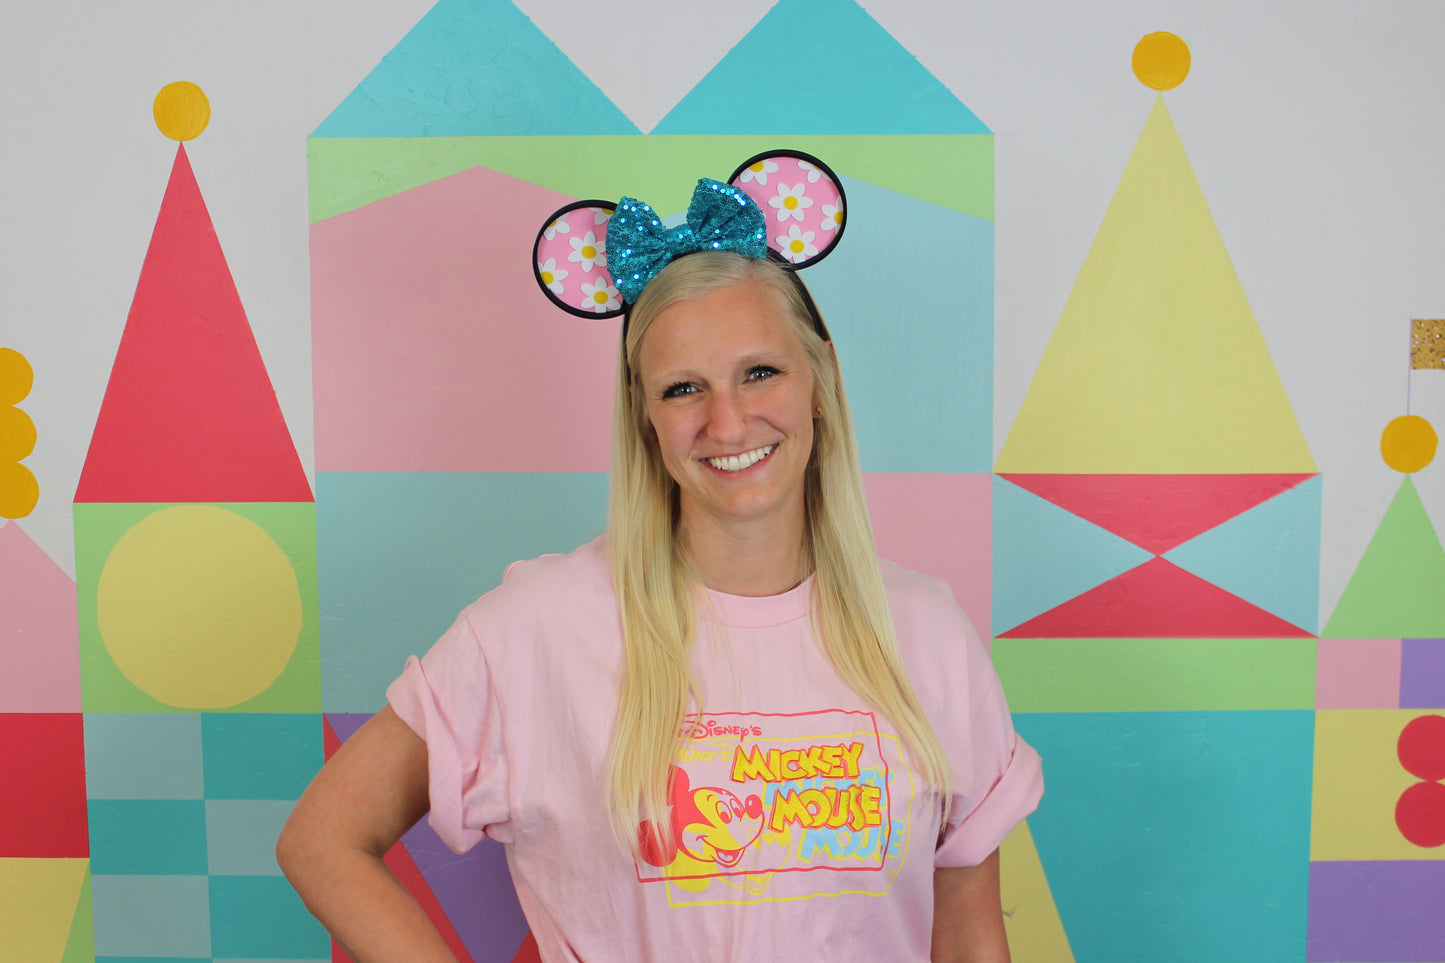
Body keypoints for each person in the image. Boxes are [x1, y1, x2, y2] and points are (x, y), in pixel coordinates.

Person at [278, 162, 1042, 963]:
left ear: (819, 380)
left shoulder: (927, 634)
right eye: (683, 388)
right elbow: (323, 839)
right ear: (643, 414)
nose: (728, 421)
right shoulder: (537, 629)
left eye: (759, 372)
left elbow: (969, 935)